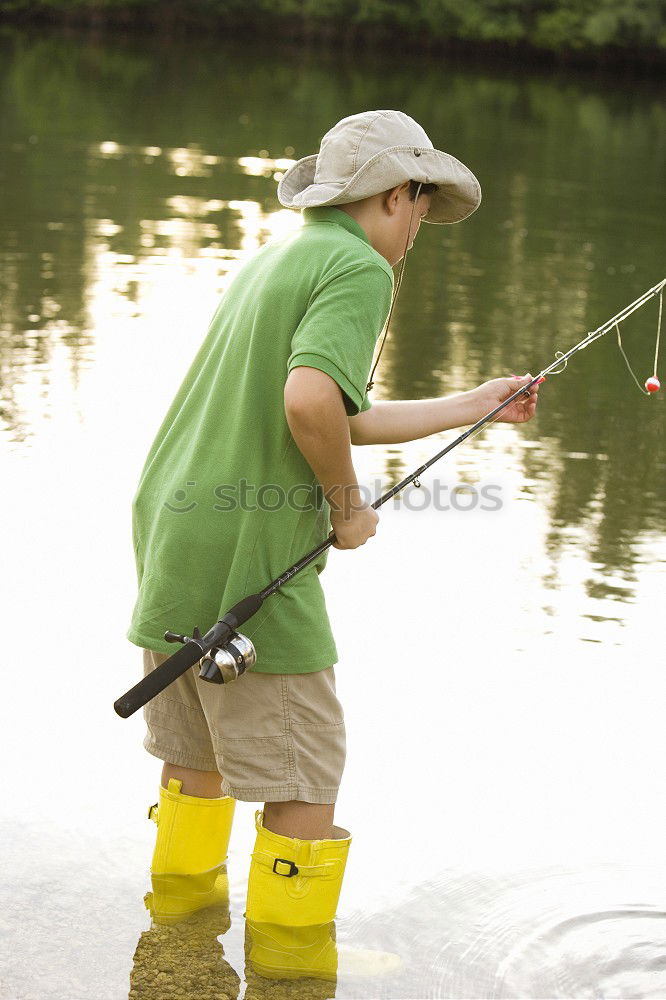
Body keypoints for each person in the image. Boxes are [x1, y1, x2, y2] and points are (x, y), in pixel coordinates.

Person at [127, 109, 541, 981]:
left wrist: (476, 403)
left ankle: (178, 937)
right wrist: (347, 509)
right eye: (423, 203)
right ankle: (289, 960)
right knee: (306, 776)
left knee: (195, 760)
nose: (422, 224)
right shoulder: (360, 266)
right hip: (250, 544)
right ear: (400, 194)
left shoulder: (282, 256)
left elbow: (338, 407)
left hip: (175, 528)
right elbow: (311, 405)